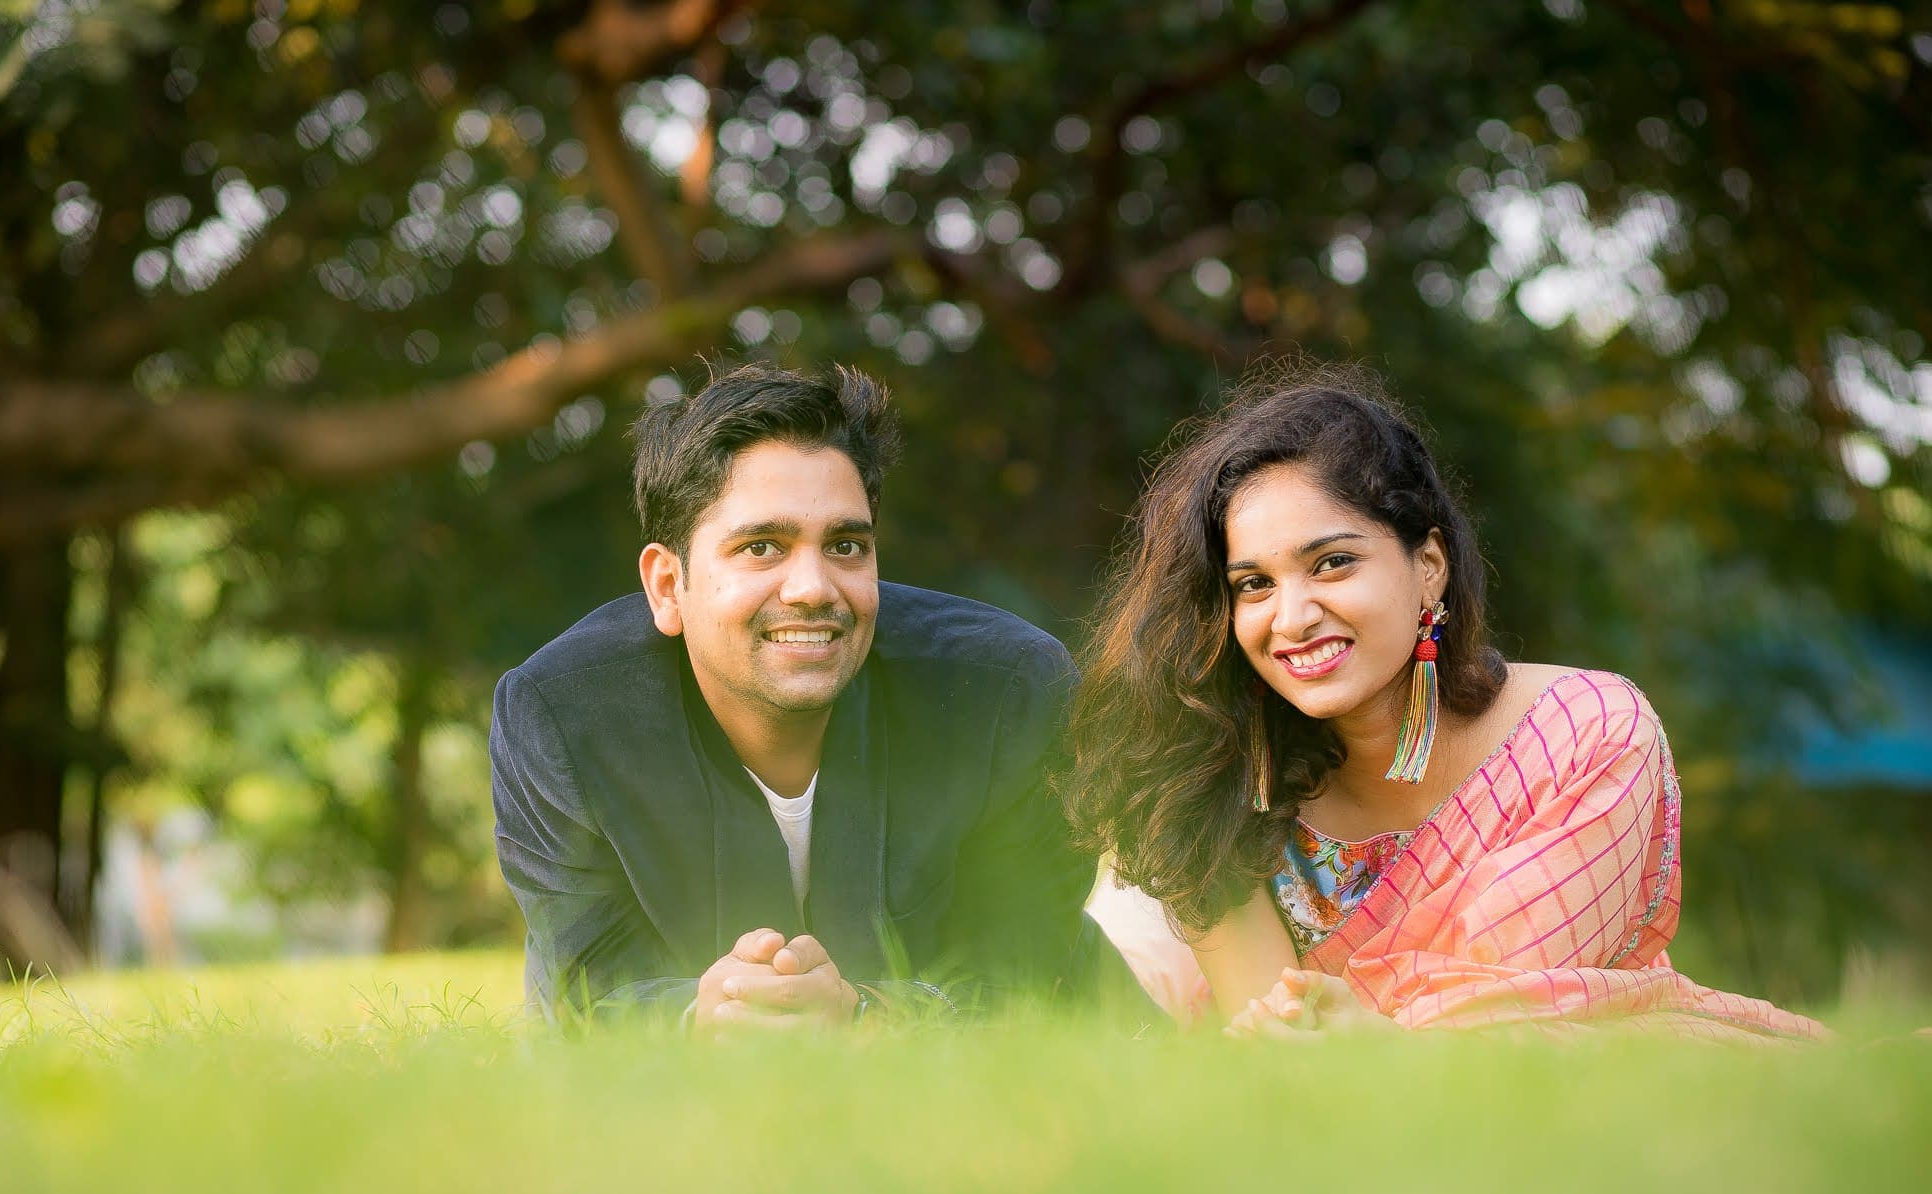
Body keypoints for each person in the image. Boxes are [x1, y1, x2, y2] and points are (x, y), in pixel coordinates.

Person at [1065, 367, 1824, 1039]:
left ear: (1427, 565)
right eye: (1252, 585)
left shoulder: (1585, 734)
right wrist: (1312, 1041)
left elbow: (1514, 1020)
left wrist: (1372, 1048)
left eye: (1331, 563)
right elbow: (1277, 1040)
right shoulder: (1210, 776)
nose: (1290, 618)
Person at [491, 361, 1103, 1026]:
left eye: (844, 545)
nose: (812, 587)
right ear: (668, 586)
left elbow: (1027, 962)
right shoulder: (561, 716)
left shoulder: (1006, 693)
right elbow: (582, 992)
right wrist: (702, 1018)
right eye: (761, 547)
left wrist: (868, 1016)